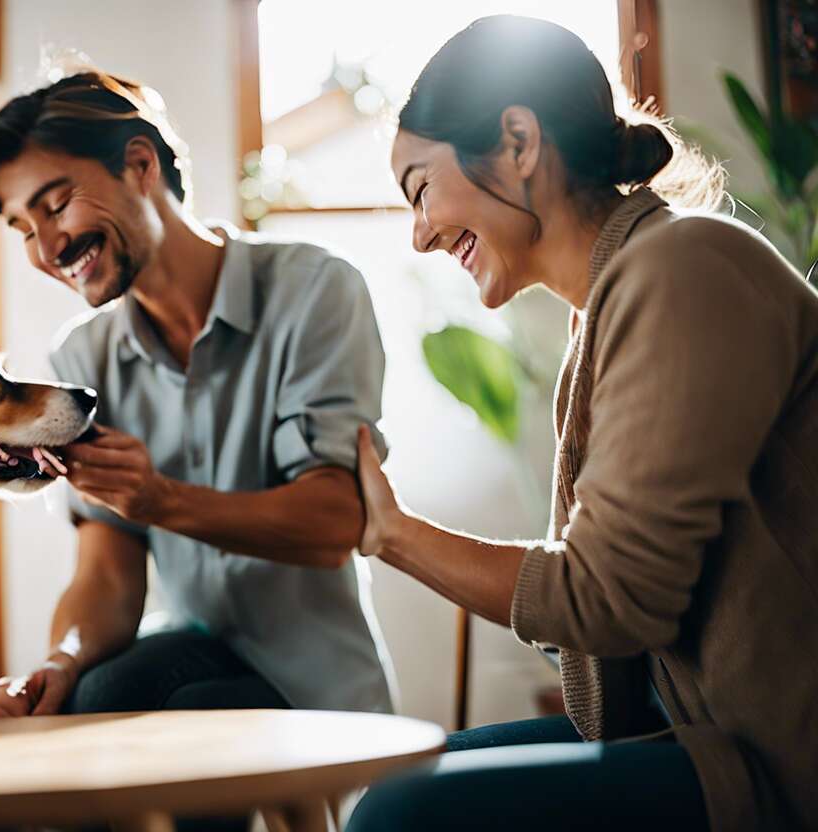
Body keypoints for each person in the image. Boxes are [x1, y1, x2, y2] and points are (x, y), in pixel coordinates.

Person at [348, 15, 818, 832]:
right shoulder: (613, 304)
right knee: (422, 769)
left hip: (780, 760)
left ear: (519, 141)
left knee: (403, 815)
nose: (419, 233)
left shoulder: (683, 269)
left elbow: (609, 601)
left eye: (420, 188)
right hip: (704, 728)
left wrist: (389, 531)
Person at [0, 71, 395, 727]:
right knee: (91, 697)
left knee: (189, 713)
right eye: (23, 228)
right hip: (193, 651)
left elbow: (335, 522)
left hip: (316, 682)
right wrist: (59, 662)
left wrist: (160, 499)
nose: (47, 249)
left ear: (139, 165)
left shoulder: (316, 290)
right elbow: (107, 572)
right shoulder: (84, 357)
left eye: (55, 204)